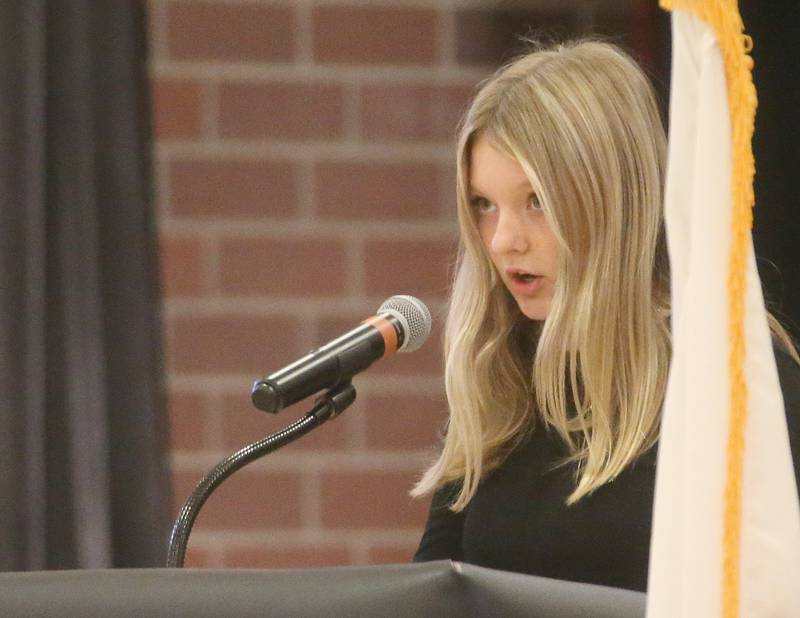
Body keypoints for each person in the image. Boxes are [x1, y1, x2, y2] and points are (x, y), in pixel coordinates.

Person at [411, 40, 800, 592]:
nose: (503, 241)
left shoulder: (735, 384)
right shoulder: (499, 385)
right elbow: (432, 590)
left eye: (536, 201)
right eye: (484, 204)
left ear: (613, 202)